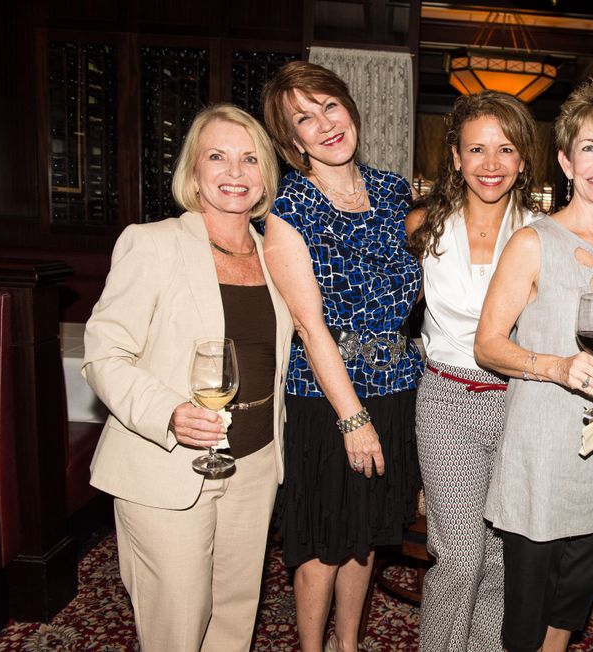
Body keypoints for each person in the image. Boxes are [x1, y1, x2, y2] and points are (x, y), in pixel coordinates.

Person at [82, 103, 294, 651]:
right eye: (217, 157)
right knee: (178, 622)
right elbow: (104, 354)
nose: (234, 172)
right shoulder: (151, 243)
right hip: (166, 463)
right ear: (193, 172)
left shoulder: (277, 254)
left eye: (250, 159)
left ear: (265, 175)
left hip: (252, 461)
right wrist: (169, 414)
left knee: (233, 615)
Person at [474, 79, 593, 652]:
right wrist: (557, 368)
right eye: (590, 147)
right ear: (565, 161)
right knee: (526, 620)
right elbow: (488, 345)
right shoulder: (533, 242)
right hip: (542, 460)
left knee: (571, 608)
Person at [260, 61, 423, 652]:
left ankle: (348, 645)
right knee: (324, 539)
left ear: (350, 108)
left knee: (365, 537)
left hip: (397, 386)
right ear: (289, 140)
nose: (325, 124)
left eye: (330, 106)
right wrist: (352, 418)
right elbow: (309, 325)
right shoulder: (289, 208)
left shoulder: (391, 190)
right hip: (327, 397)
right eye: (305, 118)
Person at [405, 90, 543, 652]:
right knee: (460, 559)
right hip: (448, 400)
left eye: (505, 150)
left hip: (520, 403)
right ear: (456, 158)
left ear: (523, 160)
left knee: (501, 561)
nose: (491, 165)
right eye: (477, 150)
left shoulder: (542, 233)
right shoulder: (422, 228)